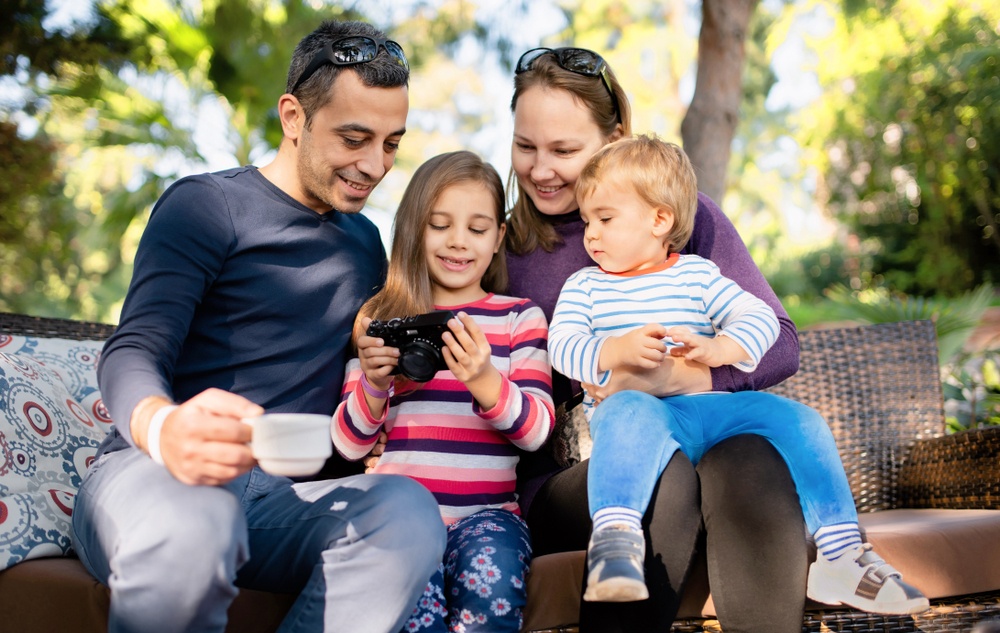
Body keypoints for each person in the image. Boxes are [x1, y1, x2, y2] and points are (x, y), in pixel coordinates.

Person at [72, 20, 446, 633]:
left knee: (406, 513)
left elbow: (362, 367)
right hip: (160, 479)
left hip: (285, 501)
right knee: (198, 521)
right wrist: (163, 428)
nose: (374, 164)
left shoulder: (365, 244)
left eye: (390, 143)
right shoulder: (205, 206)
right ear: (293, 117)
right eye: (354, 137)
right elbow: (134, 347)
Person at [548, 133, 929, 615]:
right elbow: (561, 347)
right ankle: (616, 546)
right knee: (627, 408)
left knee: (799, 420)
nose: (591, 235)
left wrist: (719, 347)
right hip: (639, 417)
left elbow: (762, 320)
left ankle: (841, 553)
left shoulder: (696, 275)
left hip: (712, 412)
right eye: (586, 222)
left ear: (659, 219)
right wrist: (612, 351)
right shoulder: (585, 286)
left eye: (604, 219)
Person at [503, 46, 806, 633]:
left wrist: (690, 376)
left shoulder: (685, 217)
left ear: (616, 138)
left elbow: (781, 341)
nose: (541, 169)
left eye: (564, 151)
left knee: (751, 455)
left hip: (693, 431)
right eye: (525, 146)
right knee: (657, 468)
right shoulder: (500, 242)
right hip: (568, 473)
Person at [332, 150, 555, 632]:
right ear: (415, 229)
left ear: (498, 238)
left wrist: (484, 380)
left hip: (489, 516)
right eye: (440, 225)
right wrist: (373, 384)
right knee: (411, 611)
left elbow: (536, 433)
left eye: (477, 230)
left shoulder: (520, 318)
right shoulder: (383, 320)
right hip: (398, 520)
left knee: (490, 596)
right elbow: (350, 446)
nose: (458, 242)